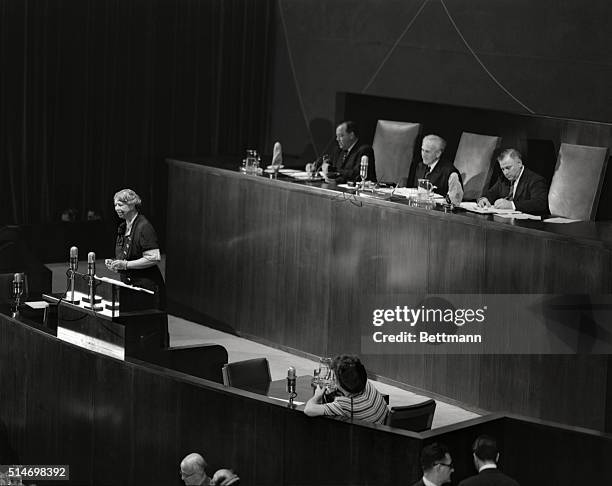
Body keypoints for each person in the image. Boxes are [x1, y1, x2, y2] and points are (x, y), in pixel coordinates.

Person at [106, 188, 166, 311]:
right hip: (130, 286)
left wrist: (126, 264)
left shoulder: (144, 227)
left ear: (132, 205)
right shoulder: (123, 226)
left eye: (120, 205)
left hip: (147, 288)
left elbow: (154, 258)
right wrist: (117, 265)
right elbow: (127, 257)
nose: (117, 208)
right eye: (115, 205)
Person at [304, 354, 388, 424]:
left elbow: (308, 410)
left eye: (335, 378)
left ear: (341, 383)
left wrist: (317, 395)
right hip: (382, 431)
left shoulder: (344, 404)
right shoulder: (367, 385)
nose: (334, 380)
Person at [477, 148, 549, 214]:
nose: (505, 173)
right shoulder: (503, 179)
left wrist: (511, 205)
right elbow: (491, 193)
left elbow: (540, 203)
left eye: (508, 168)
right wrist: (484, 199)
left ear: (519, 163)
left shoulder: (535, 180)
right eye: (503, 169)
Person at [307, 121, 376, 184]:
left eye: (341, 136)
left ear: (351, 135)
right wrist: (314, 166)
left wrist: (334, 173)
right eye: (337, 136)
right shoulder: (339, 150)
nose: (337, 139)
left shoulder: (364, 150)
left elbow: (357, 175)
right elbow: (326, 160)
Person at [411, 134, 463, 204]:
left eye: (427, 151)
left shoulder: (450, 173)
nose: (423, 154)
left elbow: (455, 202)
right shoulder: (420, 167)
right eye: (422, 150)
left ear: (438, 153)